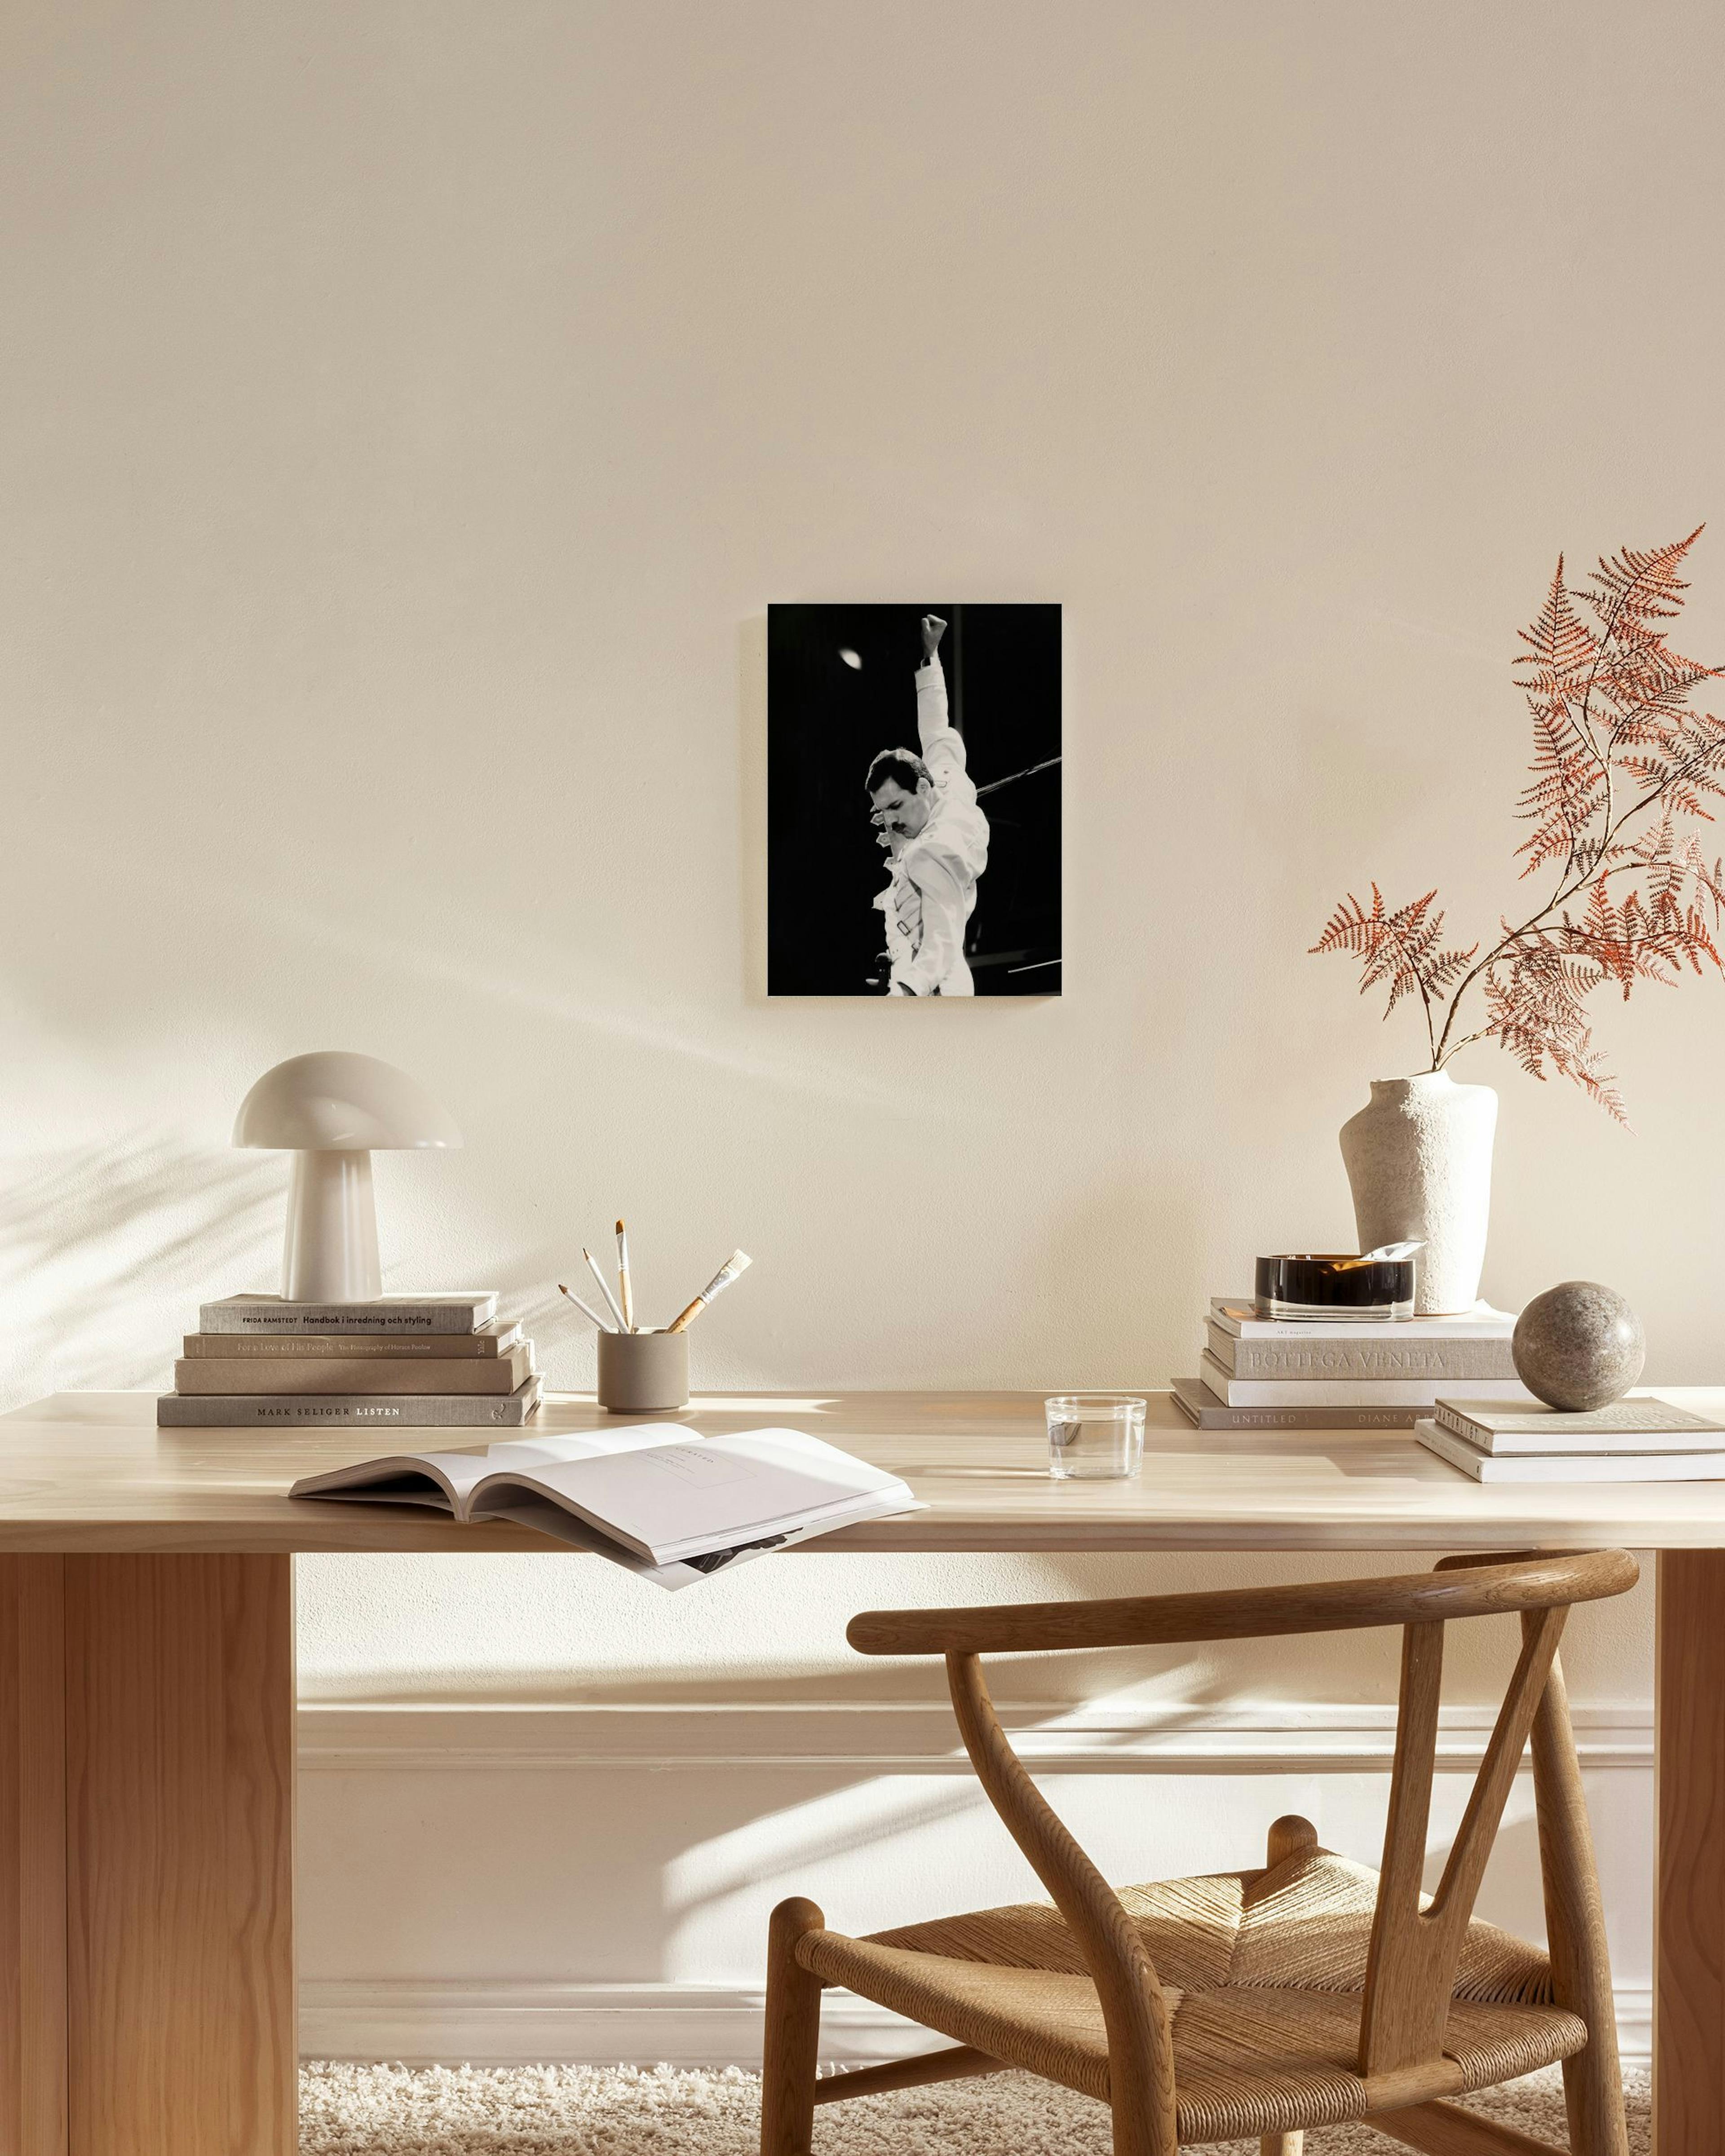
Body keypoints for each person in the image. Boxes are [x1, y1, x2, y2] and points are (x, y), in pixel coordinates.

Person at [865, 614, 991, 995]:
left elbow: (941, 944)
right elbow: (936, 729)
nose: (888, 822)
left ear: (921, 788)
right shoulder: (943, 779)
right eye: (883, 810)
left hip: (934, 993)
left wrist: (904, 990)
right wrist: (930, 657)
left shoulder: (938, 848)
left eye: (896, 807)